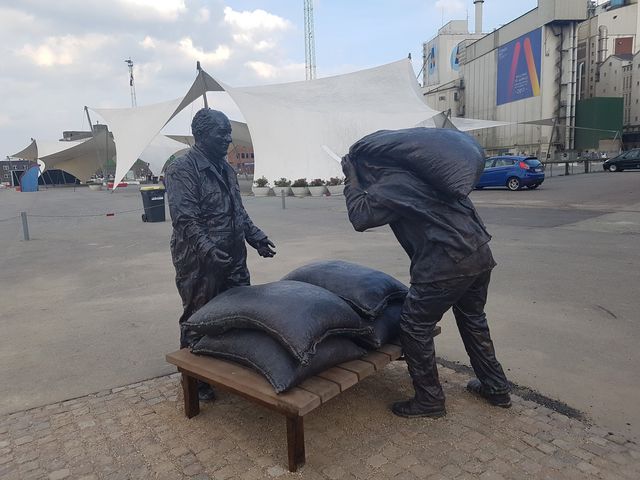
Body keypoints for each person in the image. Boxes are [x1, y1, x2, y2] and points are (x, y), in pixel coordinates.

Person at [341, 154, 510, 418]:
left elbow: (360, 218)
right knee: (473, 320)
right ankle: (496, 387)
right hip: (478, 253)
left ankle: (429, 400)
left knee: (414, 326)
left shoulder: (393, 183)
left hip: (445, 265)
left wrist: (350, 181)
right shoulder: (431, 175)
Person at [165, 108, 276, 400]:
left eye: (229, 132)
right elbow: (185, 219)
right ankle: (194, 380)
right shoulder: (182, 169)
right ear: (201, 135)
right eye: (221, 133)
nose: (228, 139)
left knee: (238, 312)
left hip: (233, 255)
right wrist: (208, 250)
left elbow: (238, 211)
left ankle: (228, 365)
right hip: (199, 261)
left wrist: (256, 237)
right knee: (198, 317)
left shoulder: (226, 168)